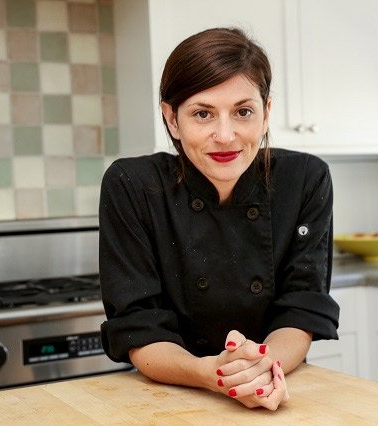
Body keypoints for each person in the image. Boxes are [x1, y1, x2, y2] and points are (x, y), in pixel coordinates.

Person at [99, 27, 339, 411]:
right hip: (166, 396)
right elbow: (139, 325)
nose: (225, 135)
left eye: (243, 112)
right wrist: (208, 373)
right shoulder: (132, 185)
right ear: (172, 119)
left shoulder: (305, 179)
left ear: (266, 114)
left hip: (272, 389)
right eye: (202, 113)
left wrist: (263, 367)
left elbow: (303, 307)